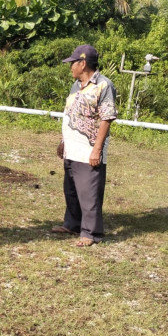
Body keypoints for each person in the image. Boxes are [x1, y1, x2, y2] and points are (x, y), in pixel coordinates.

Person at [52, 44, 117, 246]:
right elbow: (70, 113)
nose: (70, 67)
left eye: (73, 63)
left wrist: (97, 149)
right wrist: (64, 141)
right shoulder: (76, 85)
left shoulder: (104, 86)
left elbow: (107, 118)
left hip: (89, 149)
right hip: (72, 148)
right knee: (71, 189)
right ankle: (72, 224)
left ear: (83, 63)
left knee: (89, 192)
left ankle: (90, 233)